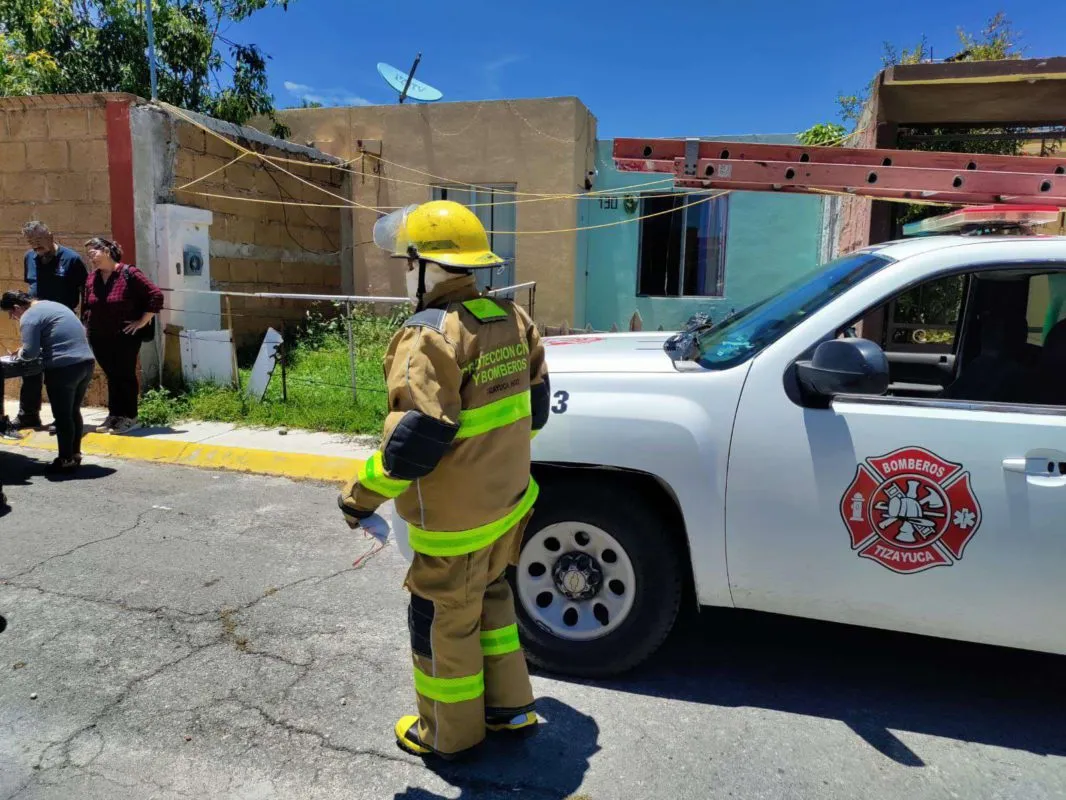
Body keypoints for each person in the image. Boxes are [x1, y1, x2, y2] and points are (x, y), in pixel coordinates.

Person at [337, 200, 552, 761]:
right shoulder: (511, 318)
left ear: (427, 266)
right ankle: (509, 708)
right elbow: (538, 411)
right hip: (507, 507)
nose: (405, 273)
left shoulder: (428, 335)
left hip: (454, 524)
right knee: (492, 600)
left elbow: (412, 443)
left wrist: (357, 499)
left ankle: (448, 734)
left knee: (442, 622)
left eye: (408, 262)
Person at [2, 290, 96, 473]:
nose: (13, 318)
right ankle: (74, 454)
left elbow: (30, 353)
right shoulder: (53, 305)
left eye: (11, 314)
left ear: (16, 307)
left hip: (63, 368)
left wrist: (20, 353)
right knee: (73, 411)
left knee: (62, 416)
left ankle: (65, 460)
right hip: (86, 363)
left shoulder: (28, 316)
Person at [10, 221, 89, 430]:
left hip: (61, 326)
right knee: (30, 368)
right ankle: (29, 415)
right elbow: (30, 288)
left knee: (59, 375)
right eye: (31, 242)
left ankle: (63, 419)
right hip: (36, 323)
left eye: (38, 240)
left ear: (51, 236)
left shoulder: (71, 259)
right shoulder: (30, 258)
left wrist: (84, 322)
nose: (35, 246)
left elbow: (86, 292)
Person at [81, 237, 163, 434]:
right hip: (98, 335)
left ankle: (131, 417)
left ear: (107, 251)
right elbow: (86, 304)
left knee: (125, 374)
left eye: (94, 253)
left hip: (124, 335)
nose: (92, 258)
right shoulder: (92, 277)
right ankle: (115, 415)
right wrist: (85, 327)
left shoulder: (129, 273)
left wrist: (142, 321)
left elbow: (156, 295)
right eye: (89, 255)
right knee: (112, 375)